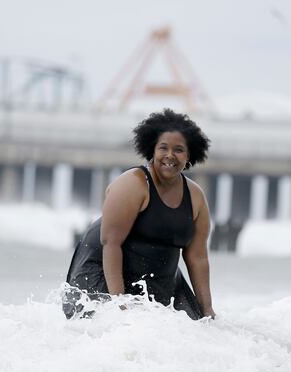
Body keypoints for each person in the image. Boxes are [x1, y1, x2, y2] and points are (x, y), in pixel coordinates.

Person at [63, 108, 215, 320]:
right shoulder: (132, 184)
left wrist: (208, 311)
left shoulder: (195, 196)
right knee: (120, 333)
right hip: (102, 270)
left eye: (179, 150)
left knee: (196, 331)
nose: (170, 156)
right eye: (163, 148)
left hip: (160, 277)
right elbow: (111, 244)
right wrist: (119, 306)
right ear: (151, 149)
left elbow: (197, 257)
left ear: (189, 154)